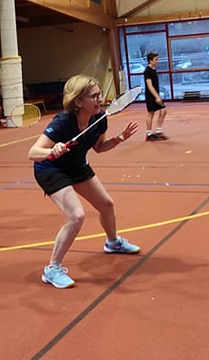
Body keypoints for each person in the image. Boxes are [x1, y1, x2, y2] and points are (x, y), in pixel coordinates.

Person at [28, 75, 140, 289]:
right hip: (51, 169)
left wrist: (119, 139)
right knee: (76, 216)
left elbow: (99, 147)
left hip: (77, 166)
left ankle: (113, 242)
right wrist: (52, 150)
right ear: (78, 101)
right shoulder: (62, 122)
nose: (100, 99)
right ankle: (52, 269)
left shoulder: (100, 118)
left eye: (99, 95)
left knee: (106, 204)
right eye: (94, 96)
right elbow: (32, 152)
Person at [143, 51, 168, 140]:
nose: (157, 61)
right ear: (150, 60)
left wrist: (157, 95)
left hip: (156, 94)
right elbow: (149, 86)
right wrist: (157, 97)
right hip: (151, 96)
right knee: (151, 113)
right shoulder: (147, 71)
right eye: (156, 59)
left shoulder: (153, 69)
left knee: (163, 111)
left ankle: (158, 131)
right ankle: (149, 134)